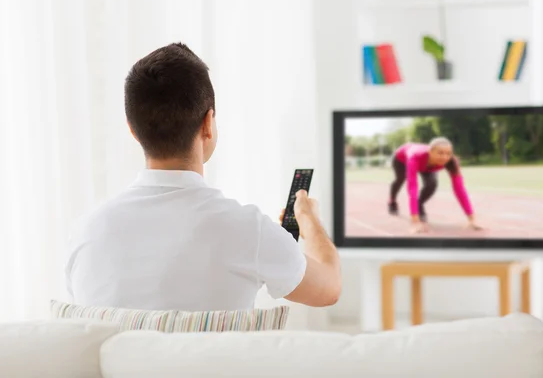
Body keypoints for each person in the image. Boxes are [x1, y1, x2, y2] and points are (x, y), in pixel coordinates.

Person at [64, 43, 341, 311]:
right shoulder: (248, 230)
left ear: (133, 130)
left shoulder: (86, 233)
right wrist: (308, 219)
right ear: (208, 123)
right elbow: (329, 288)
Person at [388, 137, 481, 234]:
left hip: (428, 164)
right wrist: (415, 221)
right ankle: (392, 201)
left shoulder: (451, 162)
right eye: (440, 153)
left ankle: (419, 204)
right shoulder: (414, 157)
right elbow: (412, 187)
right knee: (400, 179)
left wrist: (472, 219)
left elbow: (459, 189)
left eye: (448, 153)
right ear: (430, 151)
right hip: (401, 158)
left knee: (432, 184)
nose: (444, 157)